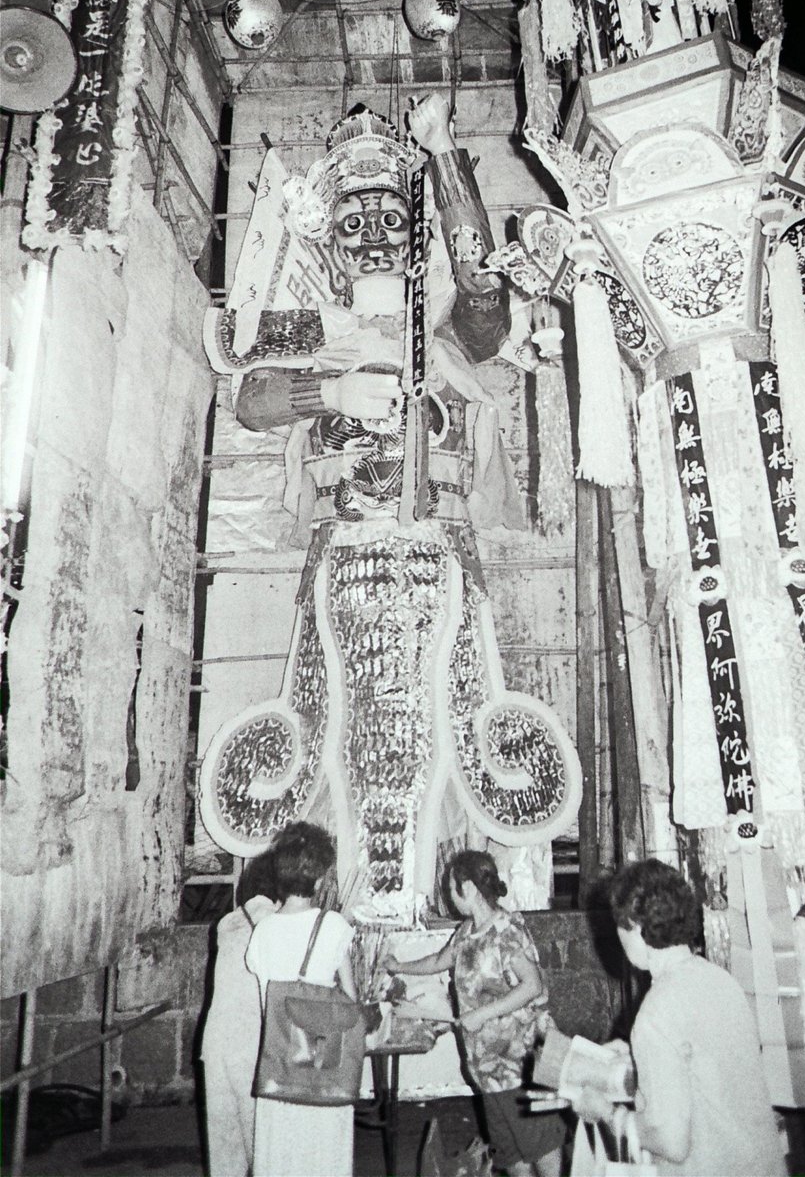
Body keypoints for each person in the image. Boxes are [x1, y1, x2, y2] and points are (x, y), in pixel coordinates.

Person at [199, 95, 581, 924]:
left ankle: (455, 891)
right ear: (328, 233)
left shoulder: (444, 320)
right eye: (352, 213)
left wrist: (443, 155)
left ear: (415, 231)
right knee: (327, 711)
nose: (371, 227)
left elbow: (483, 300)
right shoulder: (311, 323)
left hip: (437, 546)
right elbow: (252, 396)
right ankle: (322, 896)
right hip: (343, 551)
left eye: (387, 211)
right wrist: (329, 387)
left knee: (457, 704)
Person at [567, 859, 784, 1177]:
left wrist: (605, 1113)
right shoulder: (719, 979)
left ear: (635, 926)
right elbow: (706, 1062)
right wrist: (635, 1056)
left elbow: (671, 1142)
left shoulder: (655, 1013)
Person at [385, 848, 564, 1177]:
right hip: (487, 1070)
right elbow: (440, 960)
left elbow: (532, 985)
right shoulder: (467, 932)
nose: (449, 895)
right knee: (511, 1155)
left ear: (466, 888)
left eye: (451, 887)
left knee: (540, 1145)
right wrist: (399, 967)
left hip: (520, 1066)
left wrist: (484, 1014)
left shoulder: (507, 933)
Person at [244, 822, 357, 1177]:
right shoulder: (335, 926)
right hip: (323, 1068)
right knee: (323, 1157)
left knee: (281, 1157)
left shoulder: (262, 931)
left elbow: (262, 994)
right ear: (321, 880)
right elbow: (352, 1002)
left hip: (279, 1064)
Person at [198, 851, 279, 1177]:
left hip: (216, 1044)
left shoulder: (227, 923)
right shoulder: (275, 925)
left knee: (224, 1154)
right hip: (249, 1047)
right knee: (261, 1148)